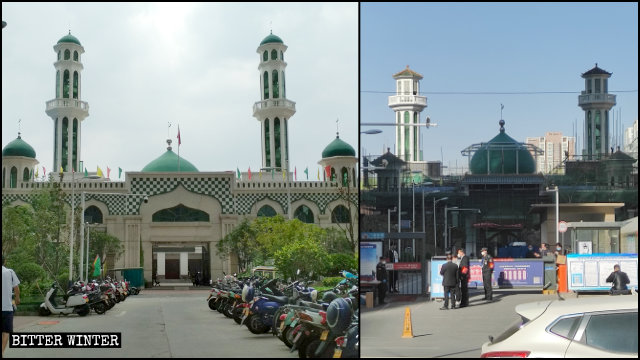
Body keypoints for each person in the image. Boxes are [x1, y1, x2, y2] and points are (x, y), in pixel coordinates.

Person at [2, 255, 20, 357]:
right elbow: (16, 288)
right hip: (7, 307)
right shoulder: (10, 272)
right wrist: (17, 299)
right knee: (6, 331)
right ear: (5, 261)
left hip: (7, 307)